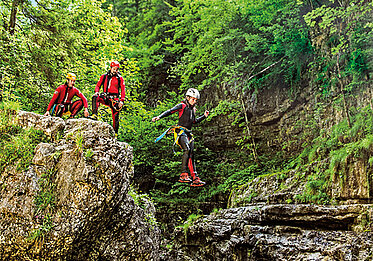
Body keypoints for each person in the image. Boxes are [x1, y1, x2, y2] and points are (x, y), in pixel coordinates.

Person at [152, 88, 209, 187]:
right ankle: (183, 174)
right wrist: (159, 117)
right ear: (187, 98)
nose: (194, 101)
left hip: (188, 134)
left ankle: (195, 178)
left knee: (191, 154)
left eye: (196, 100)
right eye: (193, 99)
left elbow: (194, 122)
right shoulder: (182, 106)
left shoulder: (193, 110)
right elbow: (170, 111)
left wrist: (204, 116)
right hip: (180, 132)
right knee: (186, 149)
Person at [91, 61, 125, 134]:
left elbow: (122, 89)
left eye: (117, 69)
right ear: (111, 68)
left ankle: (115, 133)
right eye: (114, 69)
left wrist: (122, 100)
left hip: (114, 99)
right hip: (106, 97)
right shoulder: (104, 76)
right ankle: (94, 114)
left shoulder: (120, 78)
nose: (115, 71)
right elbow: (98, 85)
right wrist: (97, 92)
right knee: (95, 97)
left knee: (116, 116)